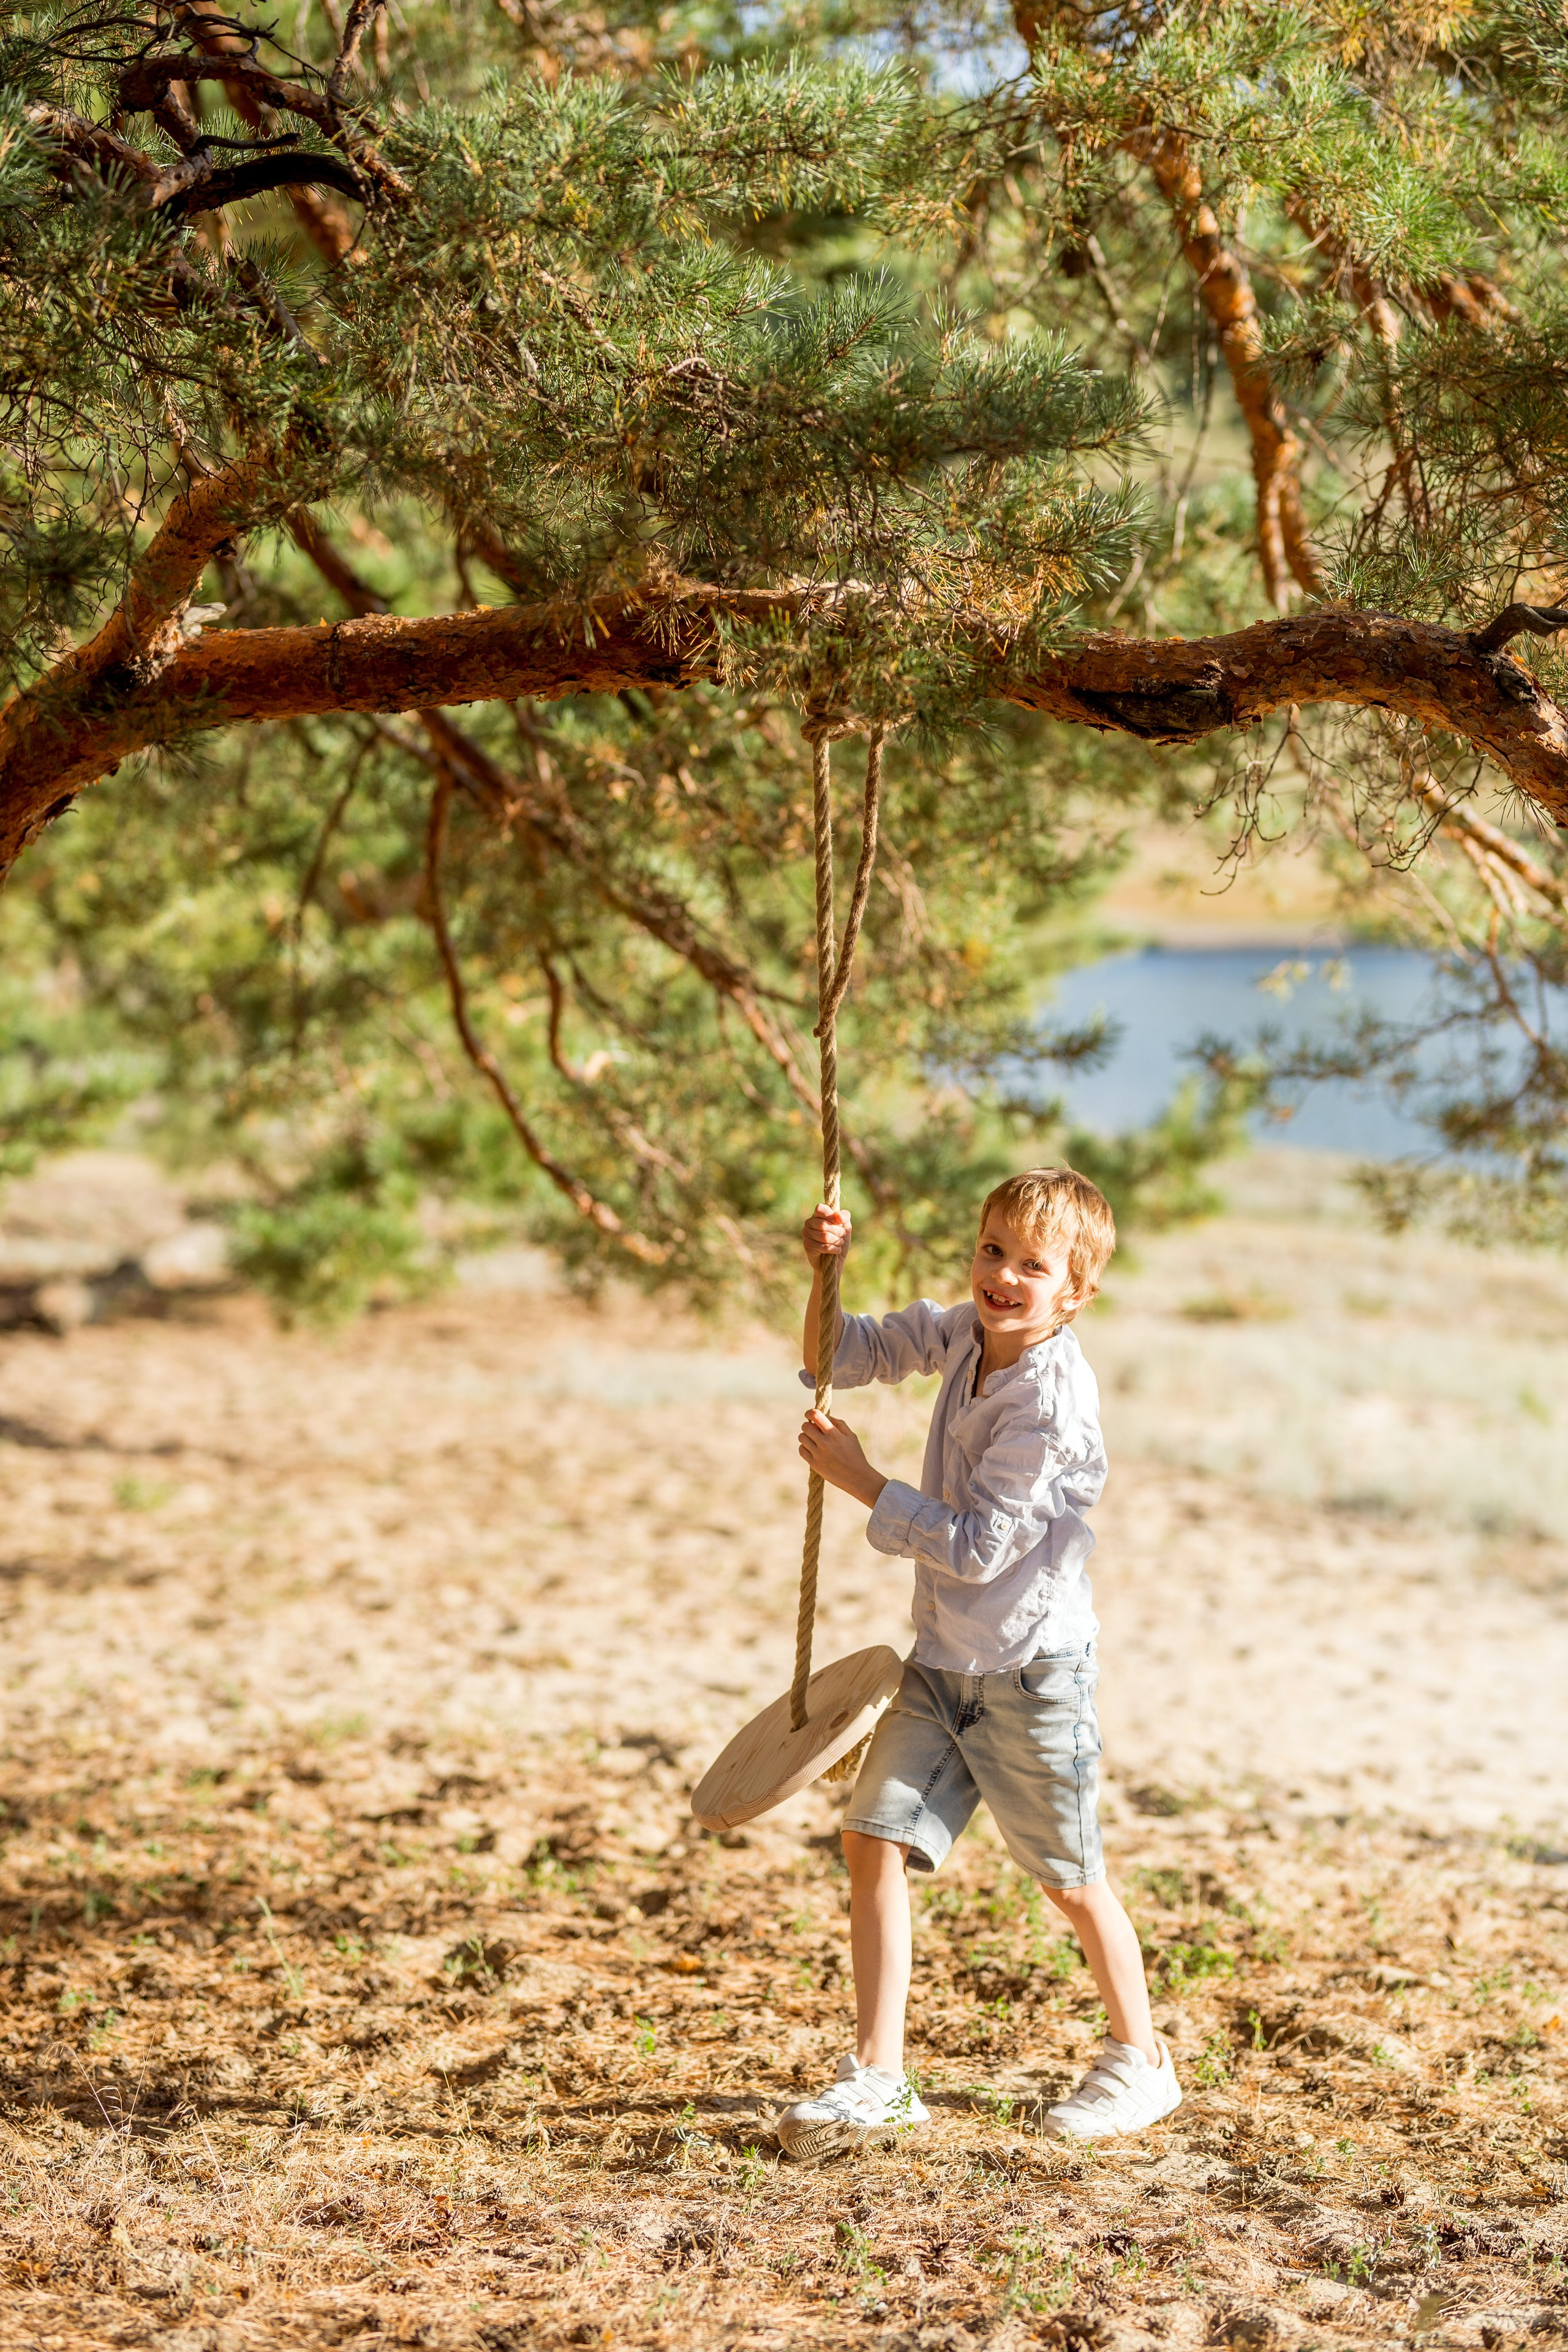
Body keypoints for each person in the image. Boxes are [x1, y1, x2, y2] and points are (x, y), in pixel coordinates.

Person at [774, 1166, 1181, 2165]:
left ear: (1075, 1292)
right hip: (942, 1661)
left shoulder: (1049, 1401)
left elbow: (977, 1549)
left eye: (1032, 1266)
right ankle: (878, 2079)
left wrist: (864, 1479)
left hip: (1031, 1672)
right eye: (992, 1250)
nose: (1002, 1276)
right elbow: (843, 1351)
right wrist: (825, 1270)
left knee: (1069, 1875)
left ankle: (1141, 2060)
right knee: (872, 1838)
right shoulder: (964, 1332)